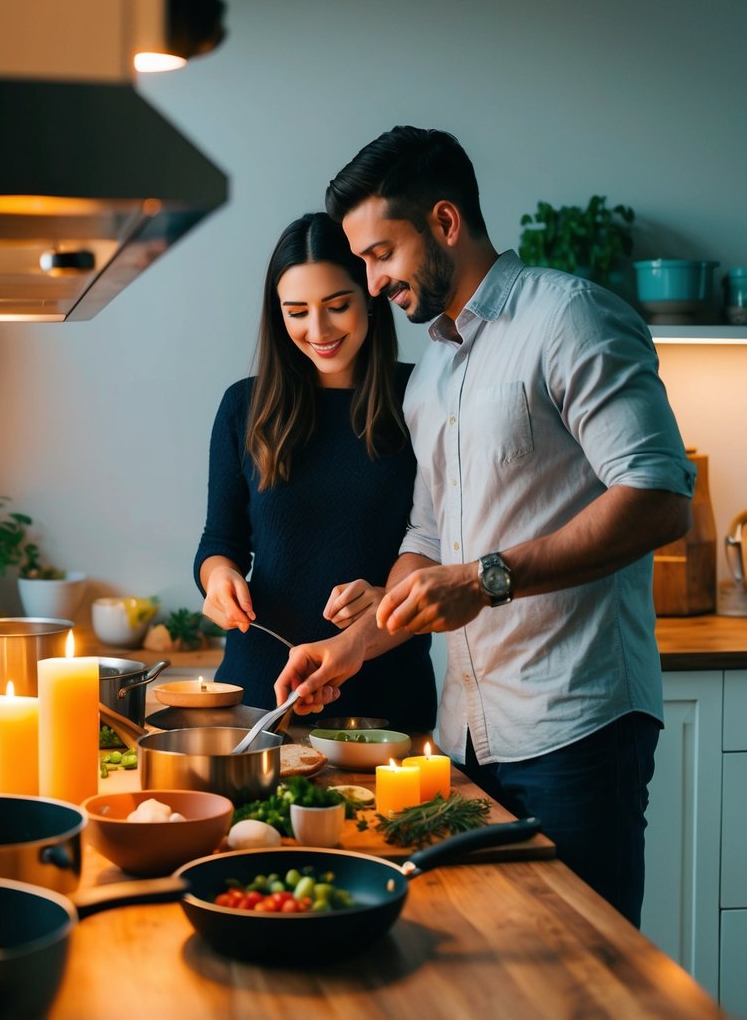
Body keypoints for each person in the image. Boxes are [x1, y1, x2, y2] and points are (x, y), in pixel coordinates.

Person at [274, 126, 695, 926]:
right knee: (498, 974)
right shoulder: (433, 365)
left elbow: (657, 494)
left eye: (379, 254)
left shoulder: (570, 317)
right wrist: (352, 643)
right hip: (466, 735)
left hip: (575, 724)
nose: (370, 282)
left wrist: (484, 578)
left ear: (442, 223)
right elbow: (428, 541)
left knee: (583, 976)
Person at [194, 211, 437, 733]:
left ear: (372, 296)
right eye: (297, 311)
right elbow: (220, 542)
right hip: (260, 695)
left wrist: (386, 597)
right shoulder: (244, 406)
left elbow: (439, 539)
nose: (318, 330)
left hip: (386, 698)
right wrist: (220, 580)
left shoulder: (421, 398)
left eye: (337, 306)